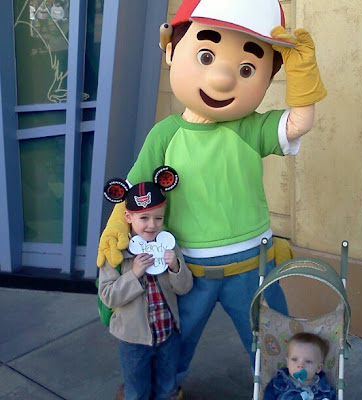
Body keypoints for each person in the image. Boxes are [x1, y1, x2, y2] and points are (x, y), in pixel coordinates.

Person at [97, 0, 327, 391]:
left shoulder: (250, 127)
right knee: (175, 340)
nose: (222, 79)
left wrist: (302, 72)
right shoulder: (165, 134)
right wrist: (117, 229)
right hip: (186, 268)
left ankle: (284, 393)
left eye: (247, 69)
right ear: (171, 50)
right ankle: (165, 391)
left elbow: (299, 122)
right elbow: (135, 191)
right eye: (206, 56)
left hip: (253, 265)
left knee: (273, 341)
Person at [98, 173, 193, 400]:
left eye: (158, 218)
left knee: (166, 388)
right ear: (128, 217)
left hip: (167, 334)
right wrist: (134, 274)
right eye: (144, 218)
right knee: (136, 391)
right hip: (133, 340)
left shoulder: (168, 245)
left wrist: (175, 267)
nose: (152, 225)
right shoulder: (117, 252)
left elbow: (184, 288)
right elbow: (108, 296)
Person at [264, 332, 336, 399]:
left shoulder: (325, 391)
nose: (300, 365)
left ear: (318, 368)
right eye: (294, 359)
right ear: (288, 363)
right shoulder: (278, 382)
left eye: (308, 361)